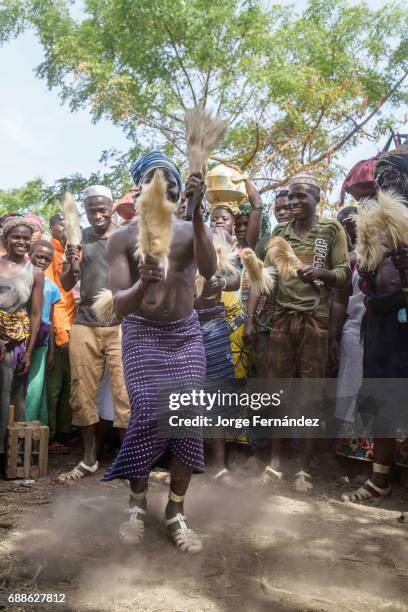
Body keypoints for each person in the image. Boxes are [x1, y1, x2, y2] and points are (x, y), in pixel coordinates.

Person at [103, 151, 217, 554]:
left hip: (185, 335)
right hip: (142, 334)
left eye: (172, 183)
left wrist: (199, 211)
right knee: (149, 411)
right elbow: (120, 303)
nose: (166, 189)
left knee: (187, 416)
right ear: (139, 191)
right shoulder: (121, 239)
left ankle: (176, 511)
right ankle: (136, 504)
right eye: (156, 183)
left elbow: (209, 267)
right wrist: (143, 284)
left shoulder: (188, 229)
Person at [245, 172, 350, 491]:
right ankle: (276, 462)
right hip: (280, 322)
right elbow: (262, 278)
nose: (293, 202)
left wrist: (322, 273)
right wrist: (250, 319)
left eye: (301, 196)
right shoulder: (279, 232)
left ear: (317, 199)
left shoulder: (331, 229)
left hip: (315, 322)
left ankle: (304, 466)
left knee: (310, 397)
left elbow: (344, 274)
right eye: (290, 196)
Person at [342, 147, 408, 501]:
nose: (385, 182)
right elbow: (367, 274)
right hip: (380, 318)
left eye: (393, 175)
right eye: (381, 177)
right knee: (382, 399)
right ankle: (380, 479)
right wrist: (367, 278)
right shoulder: (373, 222)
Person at [58, 185, 130, 483]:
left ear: (111, 206)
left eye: (103, 209)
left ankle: (128, 462)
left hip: (121, 324)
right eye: (92, 210)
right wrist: (74, 265)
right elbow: (65, 283)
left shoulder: (126, 236)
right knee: (81, 393)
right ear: (85, 211)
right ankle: (88, 460)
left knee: (125, 394)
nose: (98, 215)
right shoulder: (77, 238)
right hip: (85, 323)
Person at [0, 217, 43, 459]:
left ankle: (9, 456)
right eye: (16, 237)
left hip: (16, 345)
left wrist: (28, 351)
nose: (21, 242)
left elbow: (35, 314)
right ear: (5, 239)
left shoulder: (35, 273)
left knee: (12, 399)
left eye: (26, 238)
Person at [45, 213, 76, 452]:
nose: (65, 229)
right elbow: (55, 299)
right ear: (52, 228)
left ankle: (65, 432)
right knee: (54, 388)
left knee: (69, 386)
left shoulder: (75, 252)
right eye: (61, 225)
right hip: (58, 331)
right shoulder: (50, 253)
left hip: (78, 328)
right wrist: (62, 335)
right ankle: (52, 434)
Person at [25, 240, 61, 424]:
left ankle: (31, 430)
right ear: (30, 253)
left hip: (42, 340)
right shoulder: (20, 278)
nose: (42, 260)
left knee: (35, 387)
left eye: (47, 258)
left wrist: (52, 351)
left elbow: (52, 319)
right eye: (38, 256)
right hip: (20, 337)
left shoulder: (52, 287)